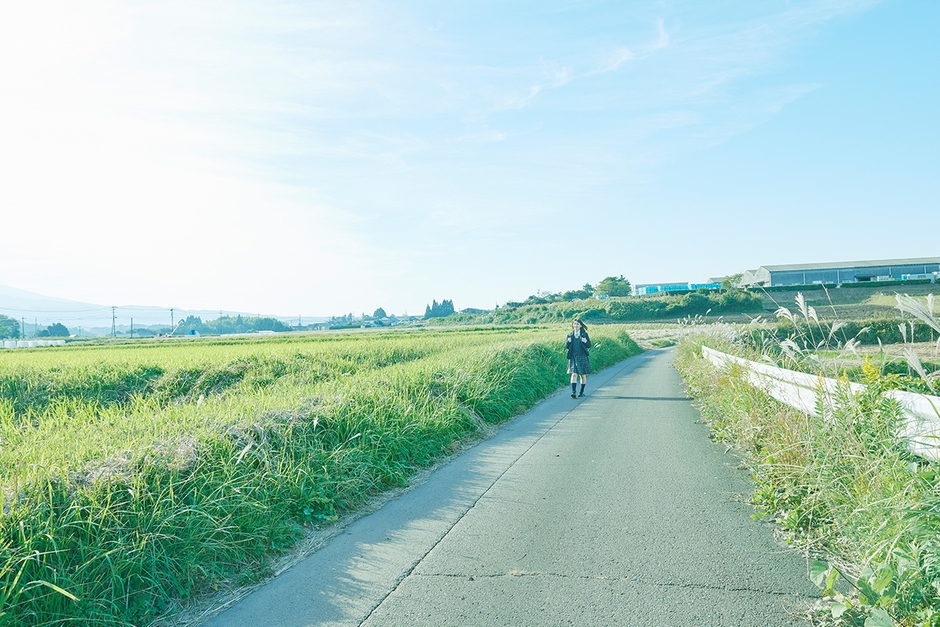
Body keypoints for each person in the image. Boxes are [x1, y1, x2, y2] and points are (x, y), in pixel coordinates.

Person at [566, 319, 591, 398]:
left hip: (582, 356)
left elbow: (589, 345)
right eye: (574, 324)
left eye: (577, 324)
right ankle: (573, 392)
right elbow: (567, 346)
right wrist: (568, 342)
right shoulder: (570, 335)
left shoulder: (584, 334)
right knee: (574, 374)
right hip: (573, 357)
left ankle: (581, 391)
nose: (575, 325)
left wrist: (585, 341)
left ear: (580, 325)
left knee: (582, 375)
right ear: (572, 325)